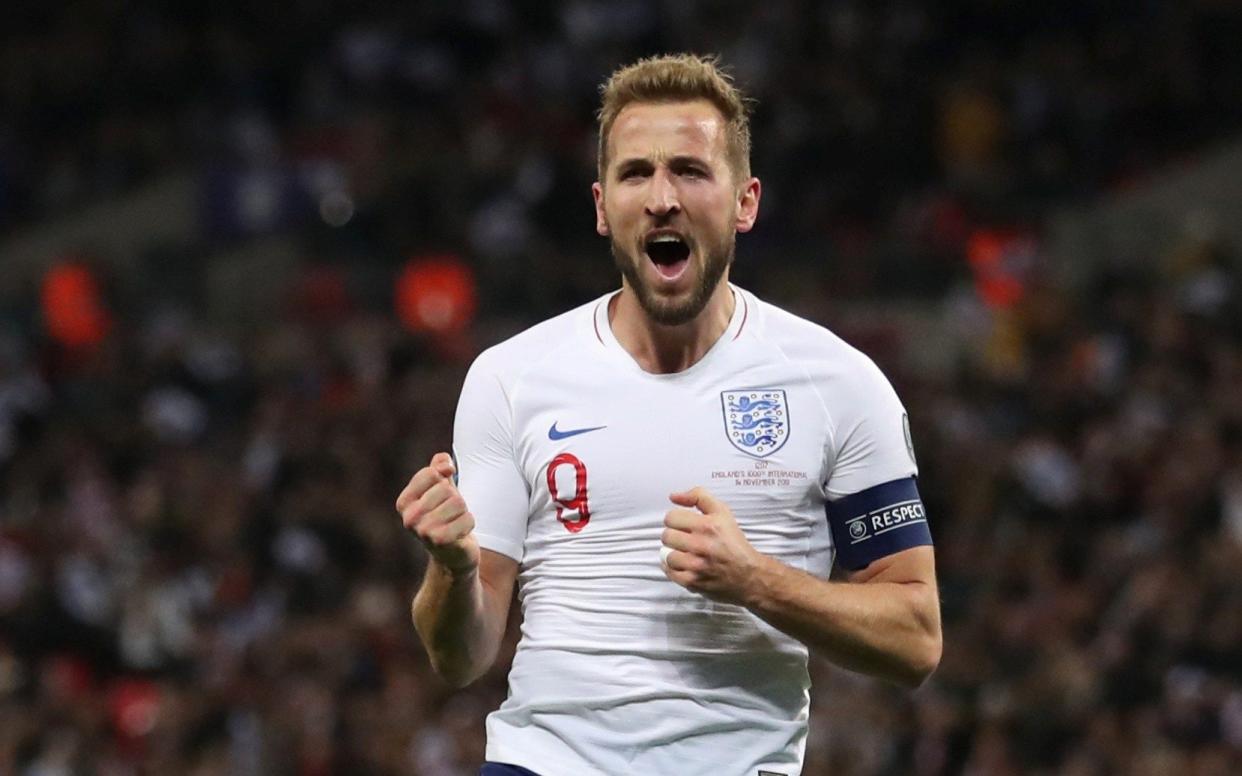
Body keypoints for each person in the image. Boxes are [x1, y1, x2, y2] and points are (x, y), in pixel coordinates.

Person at [396, 53, 942, 776]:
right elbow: (458, 657)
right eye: (635, 173)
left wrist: (754, 579)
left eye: (690, 169)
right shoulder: (511, 377)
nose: (662, 198)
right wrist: (453, 570)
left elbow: (915, 639)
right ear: (600, 207)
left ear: (745, 201)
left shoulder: (838, 384)